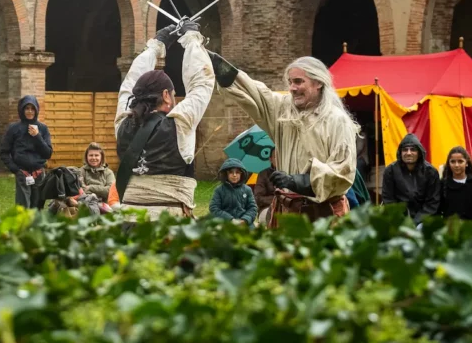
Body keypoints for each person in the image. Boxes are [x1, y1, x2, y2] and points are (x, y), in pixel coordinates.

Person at [209, 52, 357, 221]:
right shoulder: (283, 110)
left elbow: (343, 172)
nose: (292, 88)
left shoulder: (337, 120)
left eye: (299, 81)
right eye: (290, 82)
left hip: (324, 214)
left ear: (318, 83)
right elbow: (257, 94)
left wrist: (299, 181)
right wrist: (214, 62)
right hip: (288, 211)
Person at [114, 21, 214, 217]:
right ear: (167, 95)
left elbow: (129, 84)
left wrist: (156, 45)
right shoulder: (180, 123)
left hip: (128, 221)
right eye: (174, 94)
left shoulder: (122, 124)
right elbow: (201, 82)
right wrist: (192, 39)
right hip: (168, 223)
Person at [0, 96, 53, 208]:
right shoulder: (14, 128)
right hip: (22, 173)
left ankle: (35, 226)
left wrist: (37, 136)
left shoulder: (42, 128)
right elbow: (4, 152)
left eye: (32, 108)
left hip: (39, 174)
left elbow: (47, 153)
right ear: (22, 110)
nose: (30, 111)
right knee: (23, 208)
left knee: (37, 207)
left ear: (36, 110)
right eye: (27, 108)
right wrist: (15, 169)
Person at [381, 134, 440, 224]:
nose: (408, 153)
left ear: (419, 153)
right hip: (398, 220)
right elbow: (389, 200)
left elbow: (432, 203)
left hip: (424, 219)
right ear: (400, 153)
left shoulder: (430, 172)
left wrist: (415, 222)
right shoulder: (390, 171)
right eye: (405, 150)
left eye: (413, 149)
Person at [439, 146, 472, 222]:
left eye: (460, 161)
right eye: (453, 161)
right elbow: (437, 210)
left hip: (471, 229)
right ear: (448, 164)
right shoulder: (442, 184)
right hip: (449, 230)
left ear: (466, 163)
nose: (456, 165)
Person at [209, 158, 257, 225]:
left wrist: (245, 219)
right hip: (225, 223)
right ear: (226, 174)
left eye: (237, 172)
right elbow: (214, 208)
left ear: (241, 174)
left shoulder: (247, 190)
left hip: (244, 223)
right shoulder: (219, 190)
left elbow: (253, 208)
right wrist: (230, 219)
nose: (234, 175)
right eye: (231, 172)